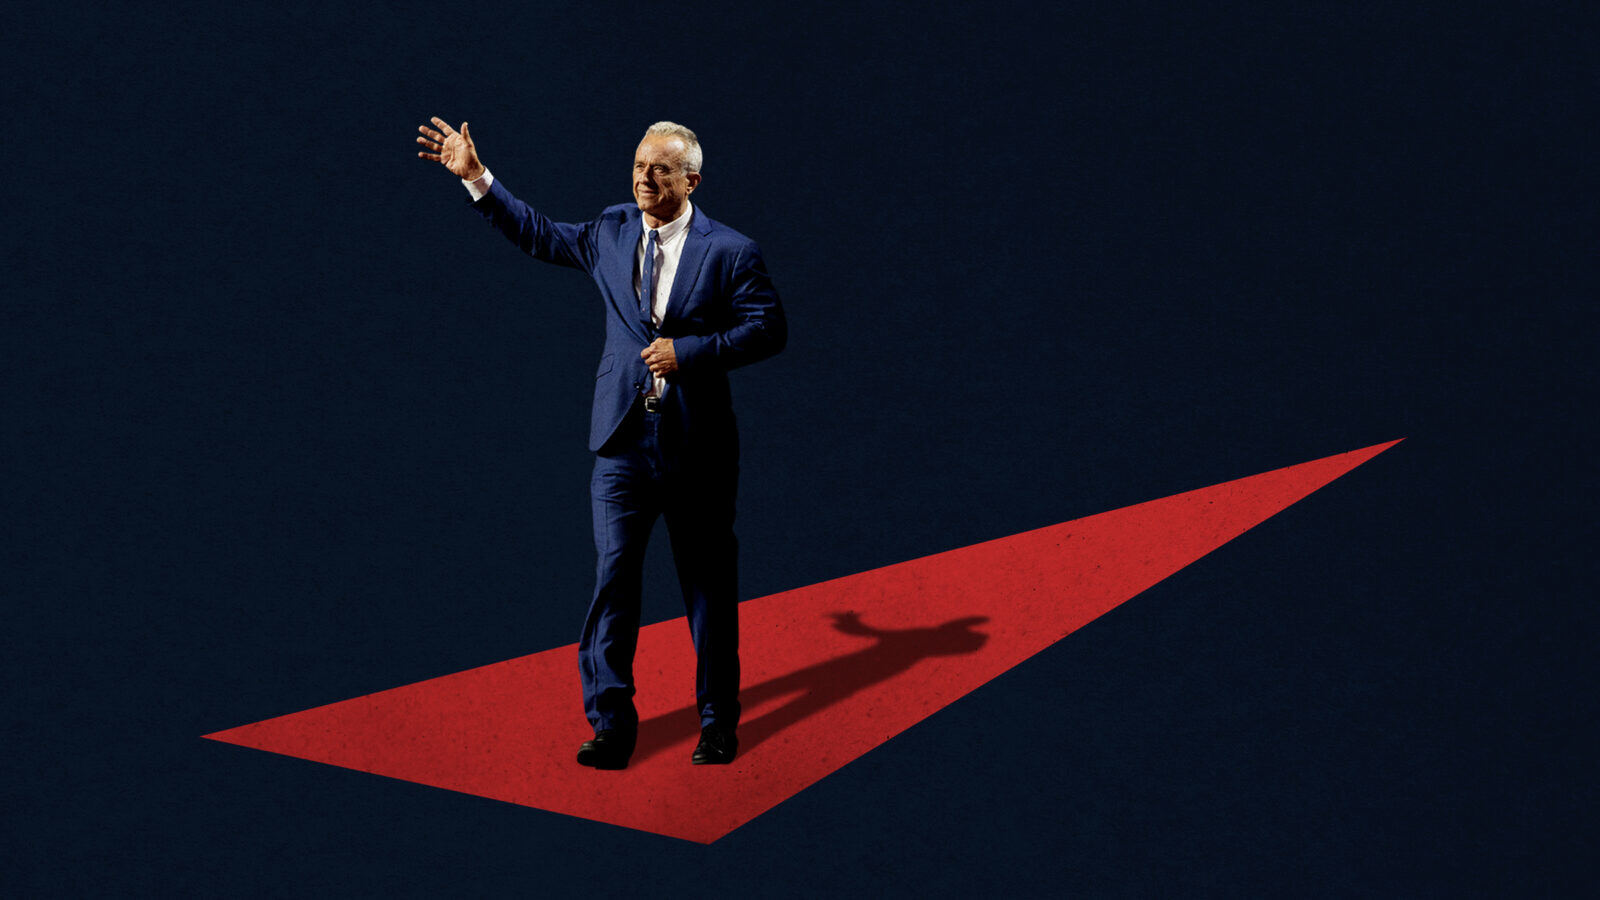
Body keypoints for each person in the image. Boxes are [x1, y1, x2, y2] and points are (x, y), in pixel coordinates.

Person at [416, 117, 786, 769]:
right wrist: (476, 177)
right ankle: (611, 725)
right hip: (621, 443)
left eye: (661, 169)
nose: (645, 178)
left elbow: (768, 327)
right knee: (614, 581)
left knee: (707, 589)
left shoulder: (731, 250)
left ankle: (716, 724)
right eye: (639, 165)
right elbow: (537, 234)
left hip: (697, 448)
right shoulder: (611, 230)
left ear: (691, 181)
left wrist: (690, 352)